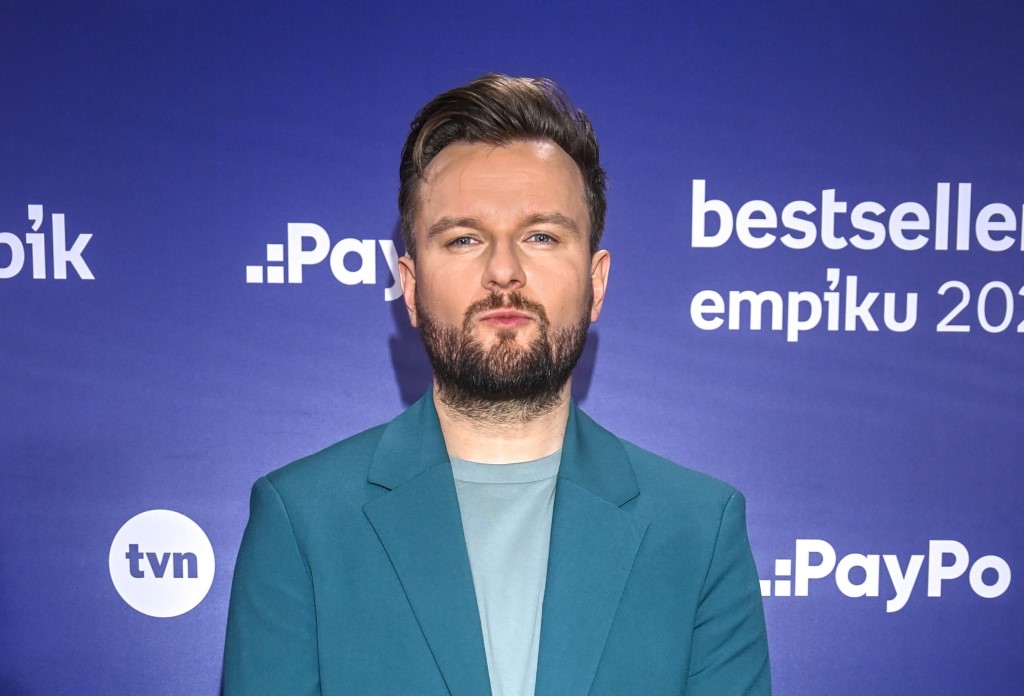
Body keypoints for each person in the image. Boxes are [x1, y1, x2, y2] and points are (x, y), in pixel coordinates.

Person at [223, 73, 770, 695]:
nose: (503, 271)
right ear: (410, 287)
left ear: (596, 283)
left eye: (541, 236)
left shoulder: (698, 529)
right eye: (464, 238)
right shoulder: (303, 521)